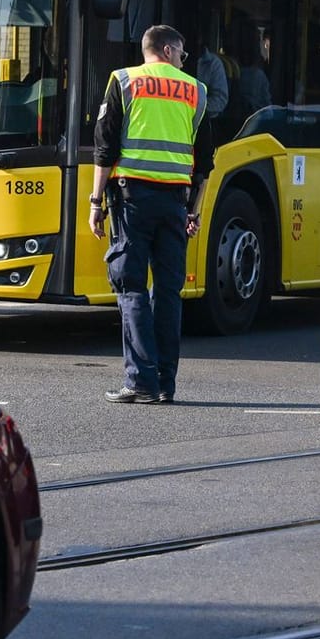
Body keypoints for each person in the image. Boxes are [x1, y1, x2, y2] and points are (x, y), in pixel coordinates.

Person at [90, 25, 216, 406]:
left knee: (130, 288)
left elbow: (105, 148)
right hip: (175, 203)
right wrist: (193, 211)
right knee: (167, 291)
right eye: (181, 54)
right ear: (167, 49)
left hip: (133, 200)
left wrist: (95, 202)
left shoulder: (124, 81)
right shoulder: (196, 91)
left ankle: (140, 380)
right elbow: (205, 163)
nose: (184, 60)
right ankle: (164, 383)